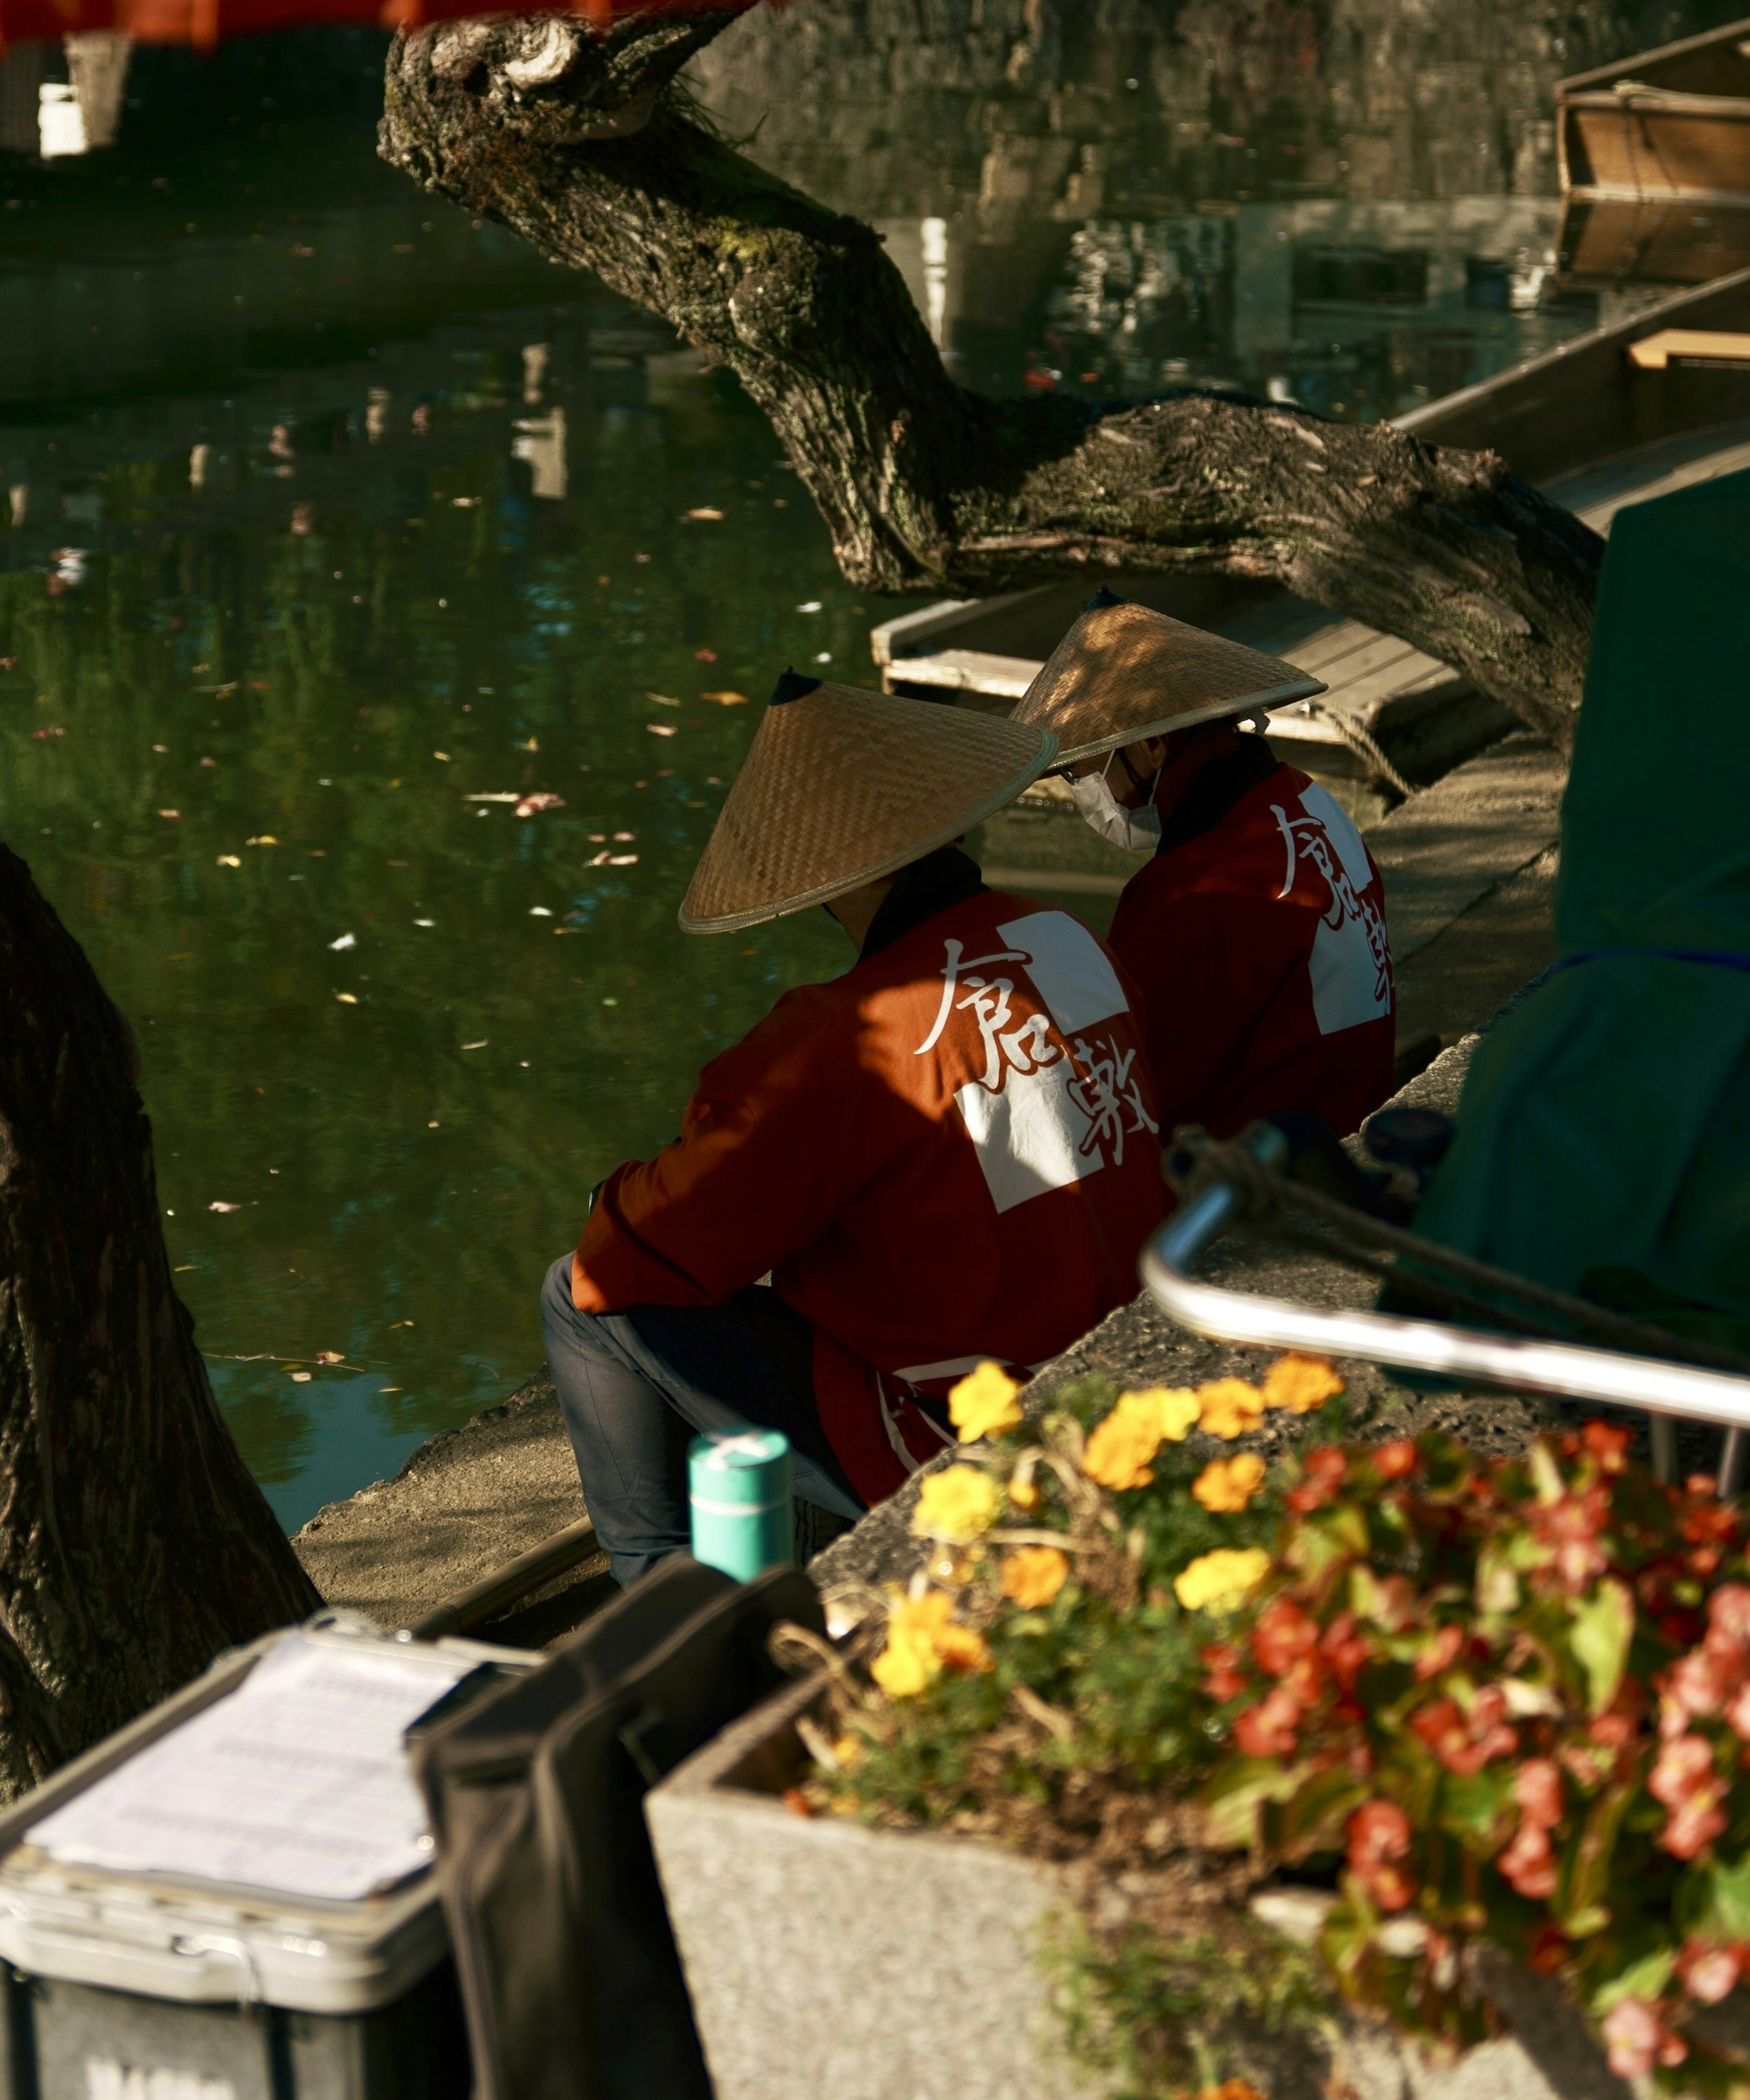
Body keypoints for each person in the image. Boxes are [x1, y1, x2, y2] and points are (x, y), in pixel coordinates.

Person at [547, 671, 1168, 1586]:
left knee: (580, 1292)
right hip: (1125, 1369)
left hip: (969, 1430)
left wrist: (611, 1198)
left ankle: (661, 1602)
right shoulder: (1068, 935)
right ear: (948, 817)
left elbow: (648, 1248)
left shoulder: (851, 1033)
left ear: (825, 876)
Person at [1015, 597, 1395, 1140]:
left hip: (1268, 1183)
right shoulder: (1307, 799)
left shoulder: (1193, 892)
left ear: (1150, 744)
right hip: (1350, 1117)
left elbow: (1143, 1093)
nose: (1086, 793)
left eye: (1083, 772)